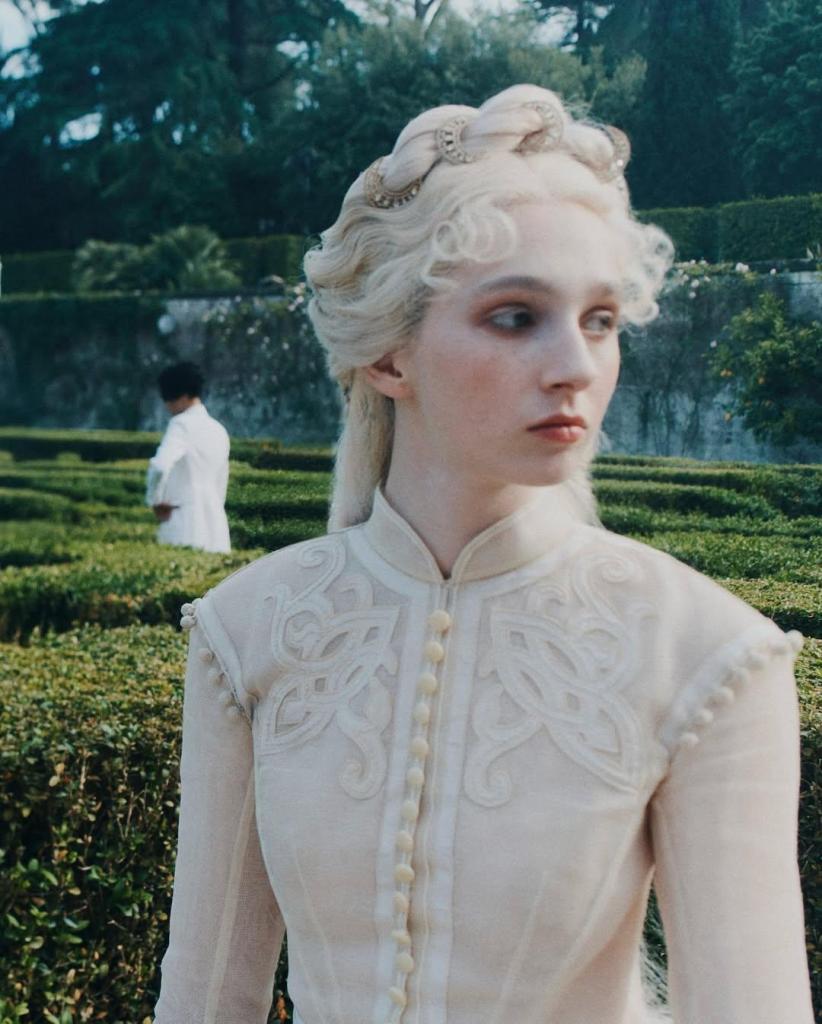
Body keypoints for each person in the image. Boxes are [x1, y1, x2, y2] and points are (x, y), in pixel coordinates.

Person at [152, 85, 814, 1024]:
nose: (577, 367)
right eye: (515, 316)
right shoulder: (243, 633)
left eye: (599, 320)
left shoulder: (713, 657)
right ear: (389, 356)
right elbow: (205, 997)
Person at [145, 361, 231, 554]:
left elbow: (159, 466)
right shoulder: (219, 430)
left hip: (183, 519)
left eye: (168, 398)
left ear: (183, 397)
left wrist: (155, 500)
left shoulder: (181, 424)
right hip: (216, 523)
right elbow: (221, 481)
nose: (167, 405)